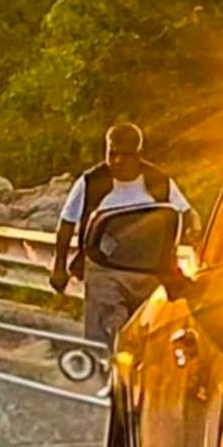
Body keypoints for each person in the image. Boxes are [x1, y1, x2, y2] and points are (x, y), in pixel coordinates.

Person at [50, 123, 198, 350]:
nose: (118, 161)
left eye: (126, 155)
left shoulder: (158, 182)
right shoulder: (91, 182)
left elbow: (188, 214)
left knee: (149, 337)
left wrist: (194, 230)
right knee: (107, 336)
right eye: (112, 153)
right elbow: (67, 223)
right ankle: (104, 378)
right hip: (103, 268)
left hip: (150, 270)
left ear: (139, 155)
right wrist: (59, 266)